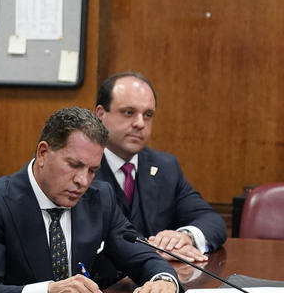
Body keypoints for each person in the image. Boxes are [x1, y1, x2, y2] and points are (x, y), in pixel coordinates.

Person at [0, 107, 178, 293]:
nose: (83, 181)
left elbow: (139, 253)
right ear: (42, 153)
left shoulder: (99, 198)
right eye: (74, 165)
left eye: (92, 170)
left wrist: (162, 280)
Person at [93, 71, 226, 264]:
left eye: (148, 115)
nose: (140, 123)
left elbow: (212, 221)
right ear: (100, 114)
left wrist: (184, 238)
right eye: (128, 112)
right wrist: (151, 251)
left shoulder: (165, 167)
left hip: (161, 284)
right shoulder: (80, 168)